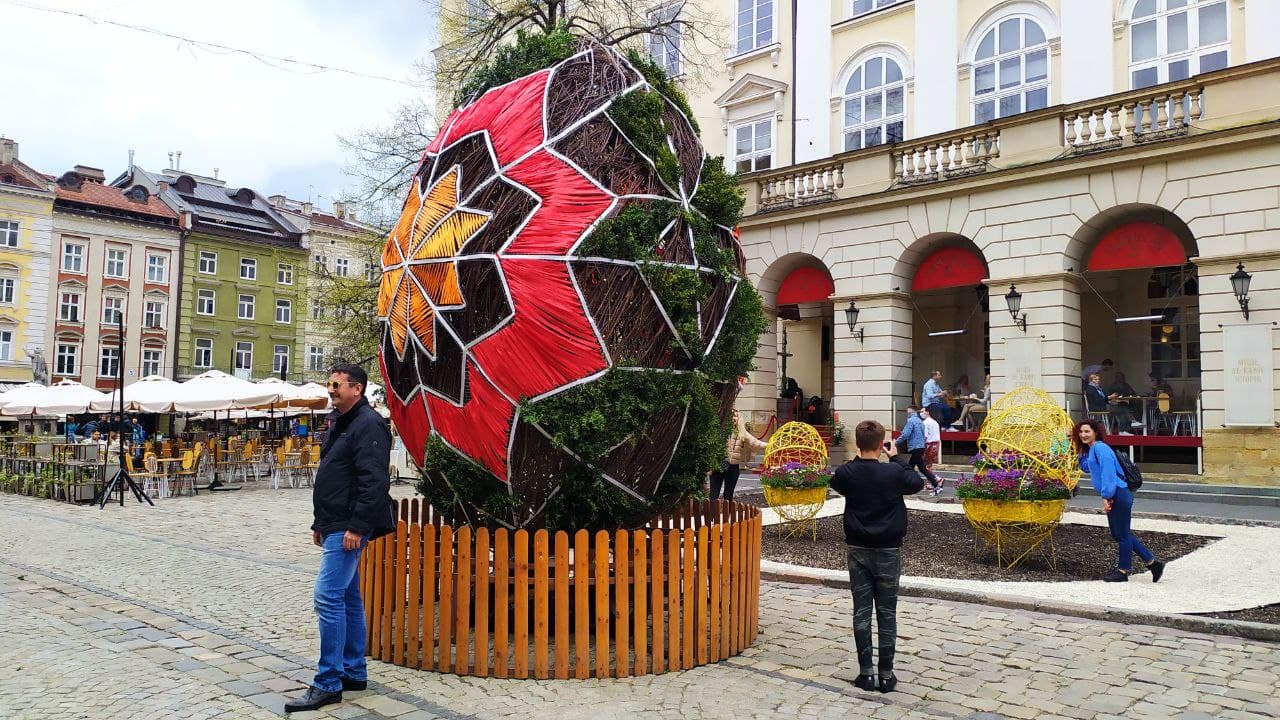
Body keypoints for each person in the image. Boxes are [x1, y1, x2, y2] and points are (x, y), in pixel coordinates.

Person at [286, 363, 396, 714]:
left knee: (327, 596)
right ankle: (353, 671)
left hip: (350, 525)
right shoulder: (341, 421)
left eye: (336, 385)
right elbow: (335, 475)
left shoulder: (368, 424)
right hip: (335, 522)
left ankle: (328, 682)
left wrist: (357, 527)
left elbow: (374, 481)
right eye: (328, 384)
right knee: (348, 597)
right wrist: (321, 522)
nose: (330, 389)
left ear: (357, 389)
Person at [829, 420, 924, 694]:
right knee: (887, 612)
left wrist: (859, 458)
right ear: (882, 443)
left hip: (858, 548)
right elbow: (916, 482)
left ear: (858, 443)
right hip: (889, 550)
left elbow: (836, 481)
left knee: (861, 611)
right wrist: (896, 458)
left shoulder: (848, 473)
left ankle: (866, 673)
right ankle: (886, 673)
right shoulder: (894, 473)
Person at [1072, 419, 1165, 583]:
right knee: (1119, 533)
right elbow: (1087, 467)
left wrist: (1107, 497)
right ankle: (1153, 563)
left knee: (1122, 534)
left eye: (1087, 431)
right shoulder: (1093, 449)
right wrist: (1077, 448)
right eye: (1080, 432)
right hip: (1115, 494)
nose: (1083, 435)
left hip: (1118, 493)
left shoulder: (1100, 448)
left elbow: (1108, 474)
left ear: (1095, 432)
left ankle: (1123, 571)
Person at [712, 410, 767, 502]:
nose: (734, 418)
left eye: (736, 417)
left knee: (728, 495)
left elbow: (756, 443)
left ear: (739, 419)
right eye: (732, 416)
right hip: (717, 466)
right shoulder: (720, 429)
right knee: (713, 495)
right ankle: (712, 515)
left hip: (733, 468)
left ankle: (727, 515)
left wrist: (771, 444)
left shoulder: (742, 433)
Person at [897, 406, 940, 493]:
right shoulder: (920, 421)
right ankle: (936, 485)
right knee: (921, 469)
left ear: (911, 412)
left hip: (915, 447)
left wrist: (895, 443)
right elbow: (923, 435)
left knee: (909, 468)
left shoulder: (911, 421)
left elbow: (905, 434)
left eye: (908, 412)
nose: (907, 414)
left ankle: (904, 486)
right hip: (920, 447)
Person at [918, 408, 943, 496]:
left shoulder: (925, 423)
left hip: (928, 445)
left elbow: (925, 436)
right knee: (929, 465)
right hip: (935, 445)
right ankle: (929, 484)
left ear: (927, 412)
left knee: (924, 467)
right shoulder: (935, 422)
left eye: (922, 411)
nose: (921, 413)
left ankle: (937, 478)